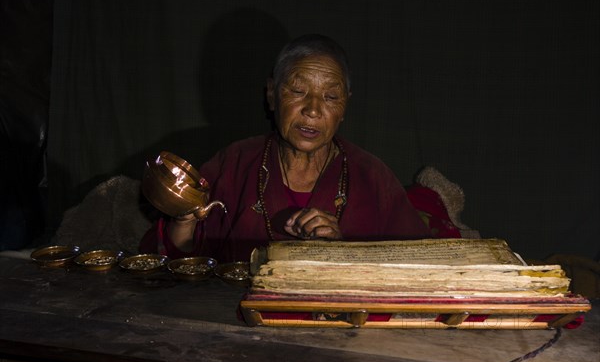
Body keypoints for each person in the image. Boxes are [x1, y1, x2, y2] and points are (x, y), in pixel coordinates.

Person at [140, 34, 430, 262]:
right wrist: (184, 221)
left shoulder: (372, 176)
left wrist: (342, 253)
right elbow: (178, 259)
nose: (313, 110)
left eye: (330, 96)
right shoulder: (234, 163)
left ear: (344, 107)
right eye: (298, 90)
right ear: (271, 94)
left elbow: (417, 266)